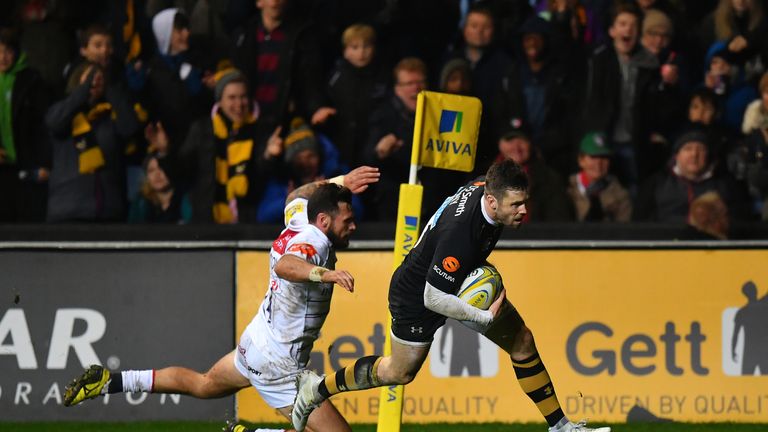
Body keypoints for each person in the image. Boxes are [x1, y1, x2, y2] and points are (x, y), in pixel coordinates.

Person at [290, 159, 610, 432]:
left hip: (454, 280)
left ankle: (561, 426)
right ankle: (316, 388)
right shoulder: (461, 233)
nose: (523, 211)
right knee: (398, 372)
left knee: (522, 340)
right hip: (416, 296)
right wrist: (483, 317)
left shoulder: (487, 196)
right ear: (492, 201)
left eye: (524, 201)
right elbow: (433, 297)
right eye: (516, 205)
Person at [62, 166, 380, 432]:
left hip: (256, 341)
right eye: (346, 221)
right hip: (279, 364)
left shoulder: (299, 221)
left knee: (203, 384)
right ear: (324, 221)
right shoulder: (317, 243)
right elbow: (287, 266)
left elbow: (295, 197)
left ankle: (109, 381)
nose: (353, 225)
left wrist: (340, 183)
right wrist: (326, 275)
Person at [46, 61, 140, 222]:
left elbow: (130, 128)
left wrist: (110, 89)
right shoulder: (64, 111)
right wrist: (83, 90)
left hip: (107, 209)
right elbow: (55, 122)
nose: (95, 80)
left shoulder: (110, 116)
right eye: (90, 76)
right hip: (68, 209)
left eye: (99, 77)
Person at [0, 27, 50, 223]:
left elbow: (44, 124)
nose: (2, 57)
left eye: (8, 51)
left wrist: (45, 162)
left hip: (27, 167)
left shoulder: (32, 81)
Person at [567, 132, 632, 222]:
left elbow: (624, 230)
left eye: (604, 157)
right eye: (593, 157)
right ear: (581, 160)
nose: (598, 163)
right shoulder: (566, 190)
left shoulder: (620, 195)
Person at [127, 154, 192, 224]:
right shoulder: (140, 203)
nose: (157, 174)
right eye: (151, 170)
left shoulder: (187, 198)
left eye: (161, 168)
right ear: (147, 177)